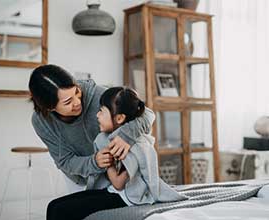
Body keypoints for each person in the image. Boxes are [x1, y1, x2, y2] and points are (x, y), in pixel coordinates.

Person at [46, 87, 186, 220]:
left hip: (127, 197)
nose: (97, 115)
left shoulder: (126, 145)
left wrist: (108, 161)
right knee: (53, 205)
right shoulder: (110, 137)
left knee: (60, 210)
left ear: (119, 118)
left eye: (101, 111)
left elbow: (119, 183)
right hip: (114, 191)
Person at [28, 64, 155, 192]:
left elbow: (148, 115)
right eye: (68, 102)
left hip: (117, 174)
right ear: (50, 108)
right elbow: (65, 161)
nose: (77, 102)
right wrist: (94, 162)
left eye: (76, 91)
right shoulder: (41, 122)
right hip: (81, 179)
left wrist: (127, 135)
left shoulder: (99, 95)